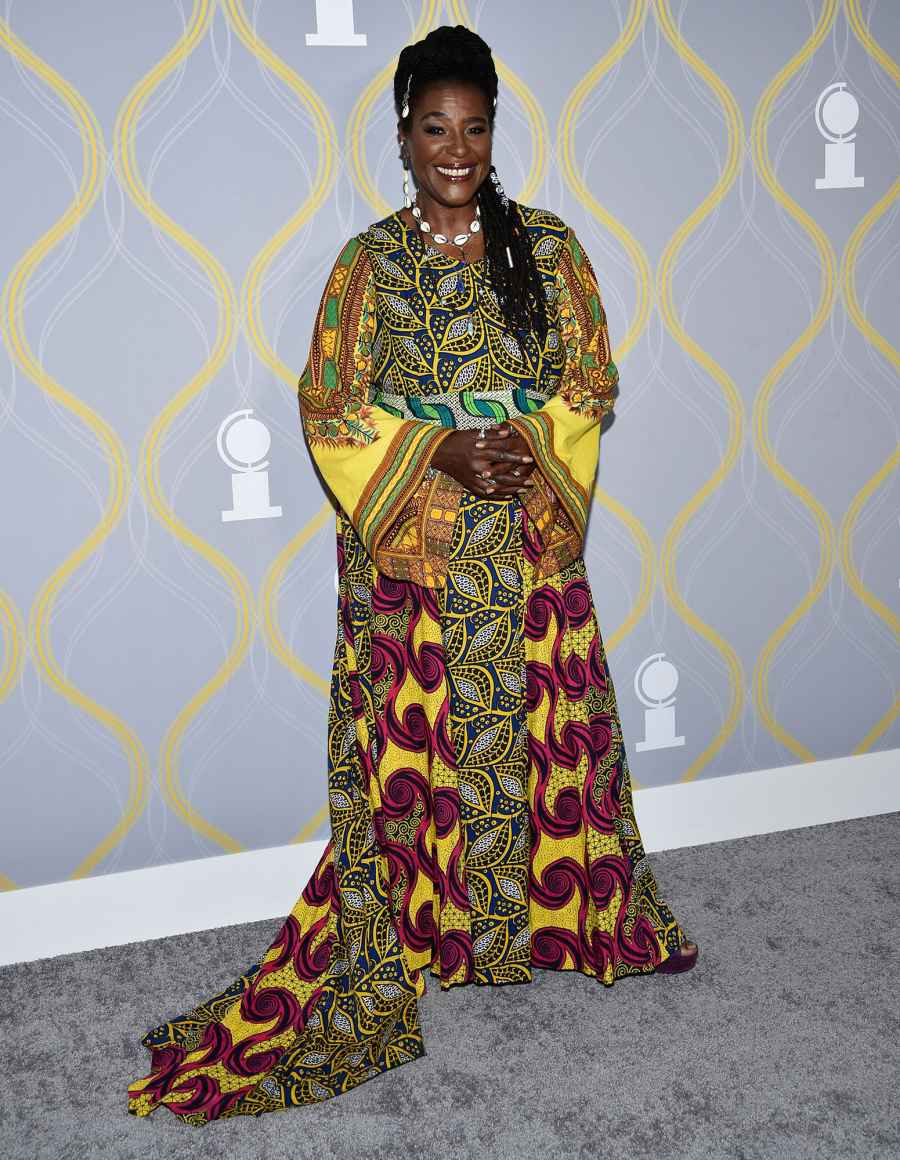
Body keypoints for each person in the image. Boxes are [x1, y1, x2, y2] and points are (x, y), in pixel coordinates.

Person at [126, 24, 698, 1128]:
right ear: (401, 134)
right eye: (435, 127)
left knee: (550, 730)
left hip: (524, 552)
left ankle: (578, 919)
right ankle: (425, 932)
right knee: (408, 752)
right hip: (413, 566)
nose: (456, 148)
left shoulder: (552, 248)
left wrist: (520, 441)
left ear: (494, 132)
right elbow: (329, 404)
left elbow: (592, 379)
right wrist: (436, 448)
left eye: (475, 127)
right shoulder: (366, 266)